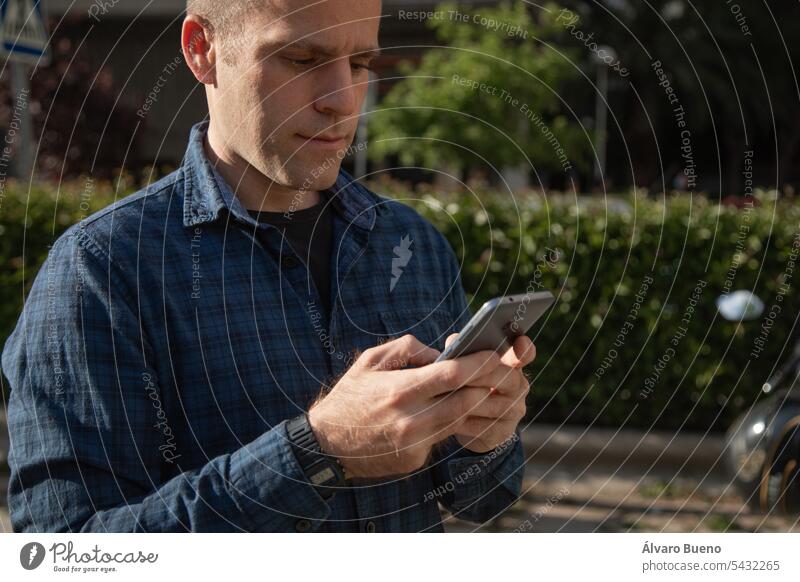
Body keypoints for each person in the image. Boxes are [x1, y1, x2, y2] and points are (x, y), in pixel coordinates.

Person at [1, 0, 534, 532]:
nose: (343, 100)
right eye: (302, 59)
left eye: (360, 64)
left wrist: (483, 438)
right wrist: (318, 452)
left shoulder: (411, 244)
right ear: (201, 50)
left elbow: (483, 500)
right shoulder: (102, 272)